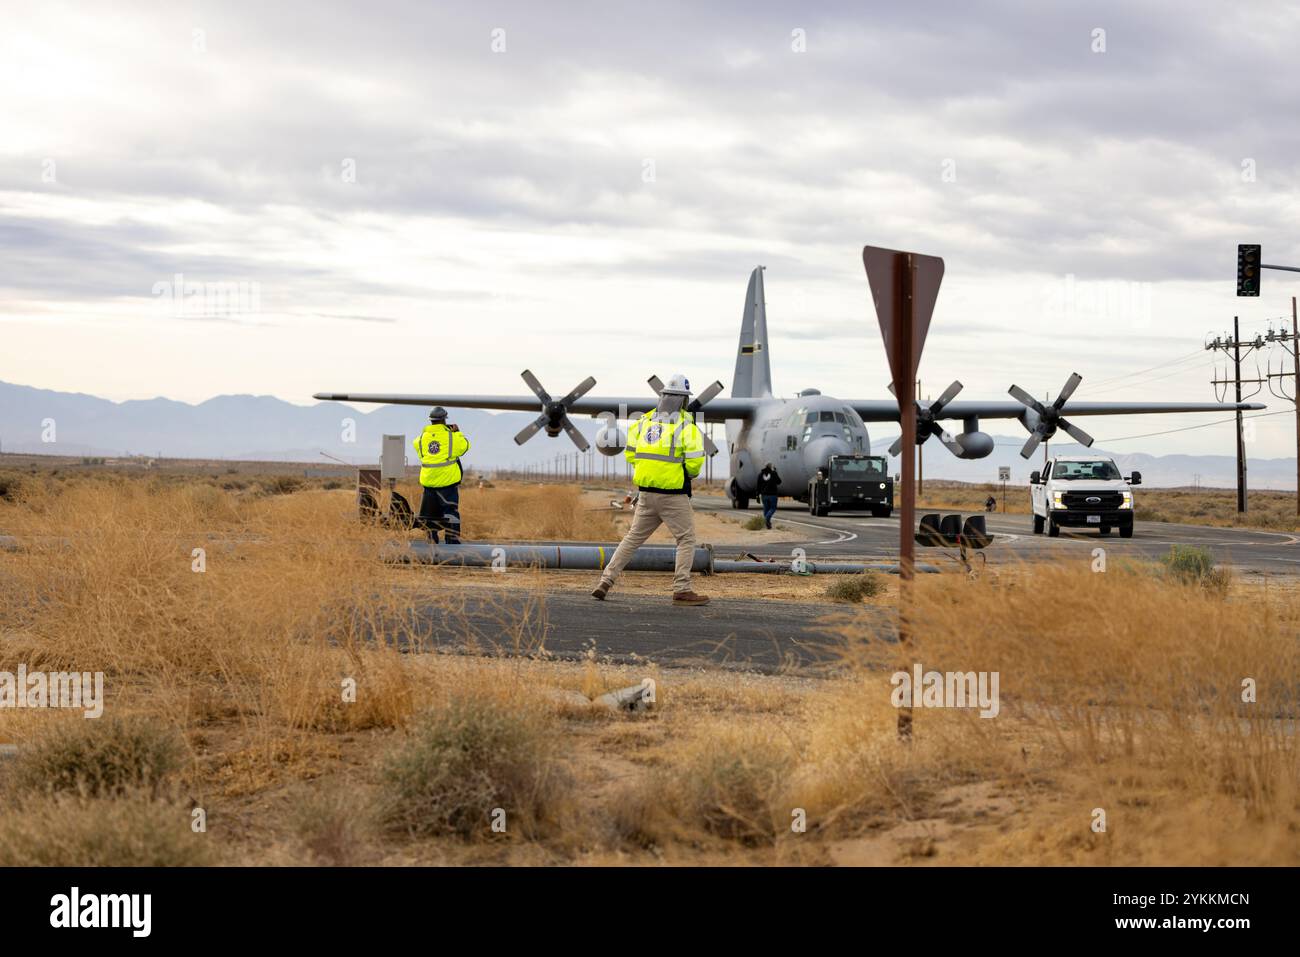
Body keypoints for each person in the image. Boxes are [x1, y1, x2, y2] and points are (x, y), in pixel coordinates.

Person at [592, 374, 709, 606]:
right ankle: (682, 589)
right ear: (684, 400)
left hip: (645, 493)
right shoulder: (686, 424)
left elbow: (631, 454)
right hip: (673, 494)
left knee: (632, 538)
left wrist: (650, 472)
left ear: (663, 396)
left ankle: (605, 581)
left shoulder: (643, 422)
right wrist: (682, 473)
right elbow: (695, 464)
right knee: (686, 539)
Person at [413, 407, 470, 544]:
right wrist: (457, 432)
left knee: (429, 513)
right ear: (444, 420)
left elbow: (419, 450)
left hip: (429, 482)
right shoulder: (451, 436)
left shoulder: (421, 439)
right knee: (450, 511)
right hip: (447, 482)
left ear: (431, 421)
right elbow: (464, 447)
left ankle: (431, 539)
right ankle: (452, 539)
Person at [756, 462, 781, 528]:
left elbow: (758, 486)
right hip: (773, 495)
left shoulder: (760, 474)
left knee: (766, 509)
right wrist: (775, 472)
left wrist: (757, 495)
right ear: (771, 467)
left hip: (764, 495)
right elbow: (779, 482)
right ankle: (766, 520)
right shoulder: (774, 473)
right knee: (773, 508)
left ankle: (768, 524)